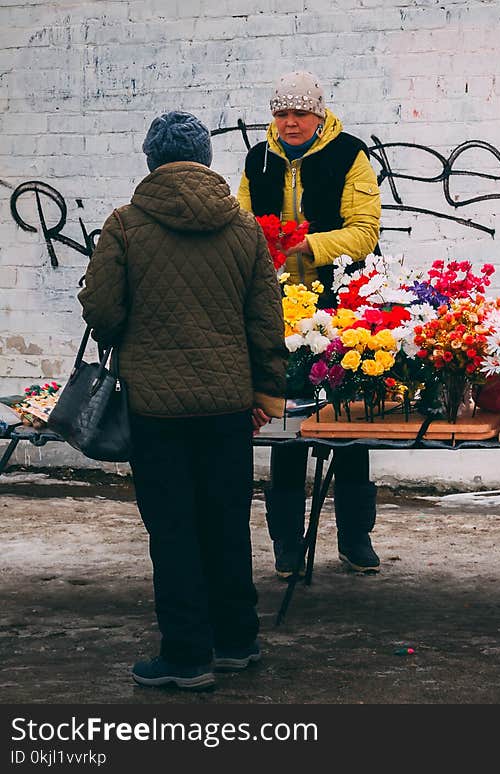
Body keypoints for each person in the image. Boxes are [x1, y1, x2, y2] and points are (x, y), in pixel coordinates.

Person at [79, 111, 288, 690]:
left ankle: (187, 656)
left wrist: (130, 329)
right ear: (205, 161)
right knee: (225, 520)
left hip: (155, 408)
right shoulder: (243, 227)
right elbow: (265, 320)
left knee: (173, 528)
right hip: (227, 405)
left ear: (150, 160)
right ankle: (237, 641)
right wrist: (267, 392)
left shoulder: (124, 225)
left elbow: (102, 309)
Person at [237, 71, 383, 576]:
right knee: (284, 427)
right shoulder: (258, 159)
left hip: (341, 305)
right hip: (277, 307)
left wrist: (308, 245)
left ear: (319, 115)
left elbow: (364, 233)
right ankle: (286, 545)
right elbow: (240, 225)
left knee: (348, 426)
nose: (290, 122)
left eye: (300, 113)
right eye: (282, 113)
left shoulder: (349, 154)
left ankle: (355, 537)